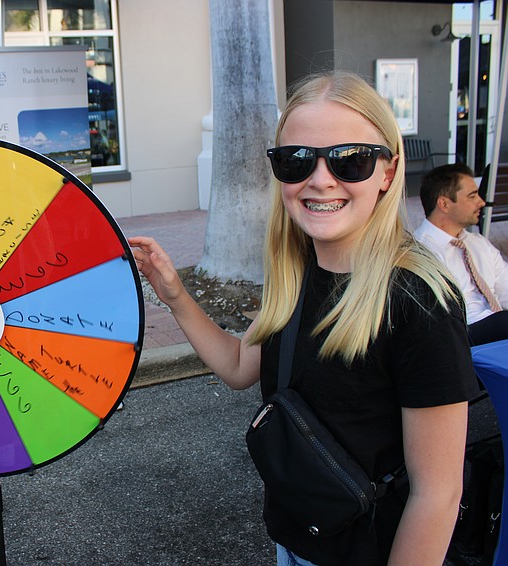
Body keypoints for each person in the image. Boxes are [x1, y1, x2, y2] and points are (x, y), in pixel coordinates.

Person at [129, 72, 479, 566]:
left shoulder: (418, 301)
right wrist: (176, 295)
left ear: (387, 170)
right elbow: (237, 366)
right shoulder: (296, 273)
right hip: (296, 538)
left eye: (350, 159)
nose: (320, 179)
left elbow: (437, 494)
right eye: (296, 160)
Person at [414, 163, 508, 345]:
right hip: (461, 338)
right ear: (444, 204)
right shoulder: (420, 252)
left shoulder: (478, 243)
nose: (481, 202)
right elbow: (435, 322)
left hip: (499, 329)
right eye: (472, 196)